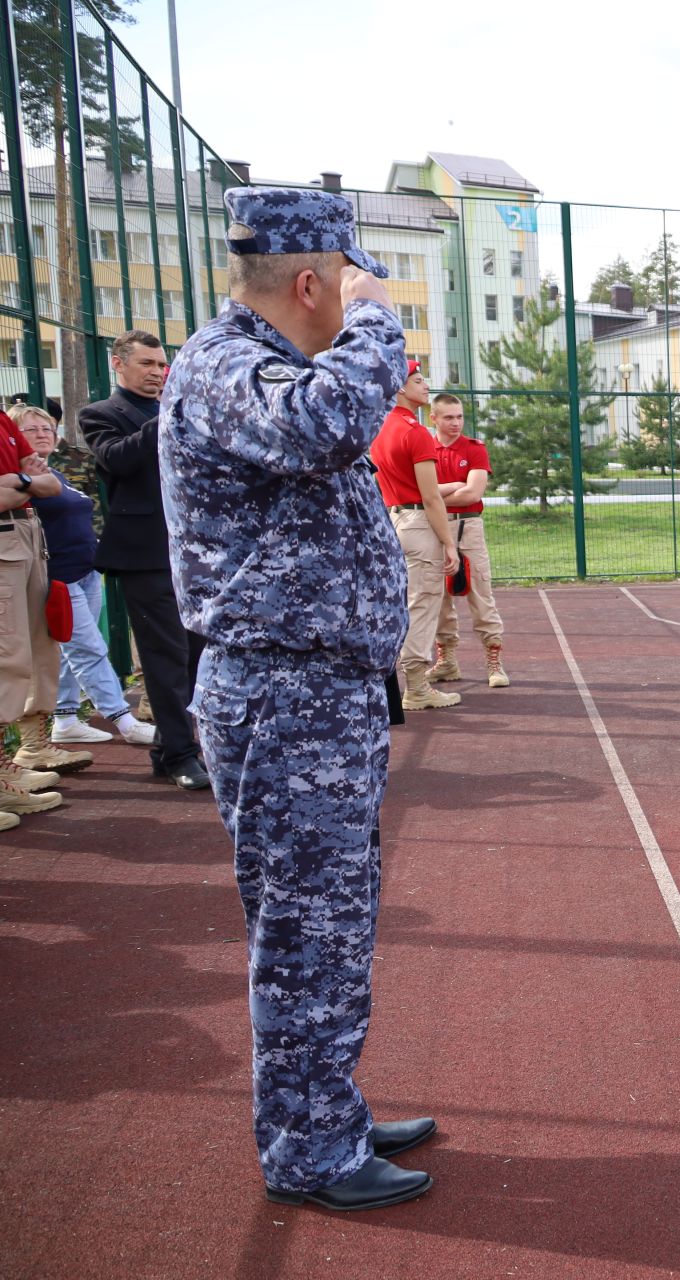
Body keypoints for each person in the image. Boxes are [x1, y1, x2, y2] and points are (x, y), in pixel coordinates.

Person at [161, 186, 435, 1212]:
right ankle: (307, 1146)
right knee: (303, 928)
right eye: (352, 278)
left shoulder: (263, 364)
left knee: (333, 918)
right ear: (313, 280)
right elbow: (327, 426)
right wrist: (378, 320)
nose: (361, 294)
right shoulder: (227, 366)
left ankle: (327, 1106)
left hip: (319, 690)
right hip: (282, 691)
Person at [80, 330, 209, 790]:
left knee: (198, 655)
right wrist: (170, 415)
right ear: (119, 365)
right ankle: (179, 754)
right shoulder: (100, 414)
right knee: (166, 657)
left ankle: (178, 748)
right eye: (147, 365)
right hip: (145, 556)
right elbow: (117, 460)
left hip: (195, 551)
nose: (157, 372)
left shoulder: (184, 411)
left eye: (161, 365)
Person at [12, 404, 153, 748]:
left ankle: (66, 718)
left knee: (72, 650)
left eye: (46, 428)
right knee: (89, 648)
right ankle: (124, 720)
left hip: (86, 571)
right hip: (57, 577)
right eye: (31, 430)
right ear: (16, 439)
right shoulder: (21, 479)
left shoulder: (54, 473)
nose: (42, 434)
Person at [370, 362, 460, 711]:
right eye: (417, 381)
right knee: (422, 605)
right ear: (399, 388)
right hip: (420, 525)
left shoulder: (380, 427)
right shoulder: (417, 433)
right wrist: (449, 543)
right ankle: (417, 686)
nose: (425, 386)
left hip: (395, 521)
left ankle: (407, 680)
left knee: (404, 603)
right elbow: (430, 496)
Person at [0, 405, 69, 826]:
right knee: (7, 655)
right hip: (5, 538)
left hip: (24, 532)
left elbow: (50, 482)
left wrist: (23, 482)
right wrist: (32, 484)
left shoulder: (3, 421)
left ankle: (19, 754)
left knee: (33, 649)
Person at [424, 392, 507, 688]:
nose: (456, 423)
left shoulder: (474, 449)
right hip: (432, 528)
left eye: (459, 416)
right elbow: (418, 493)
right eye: (448, 417)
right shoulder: (424, 447)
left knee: (480, 593)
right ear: (433, 417)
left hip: (468, 527)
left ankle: (494, 660)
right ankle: (447, 661)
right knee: (438, 598)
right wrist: (450, 488)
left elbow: (473, 494)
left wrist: (433, 496)